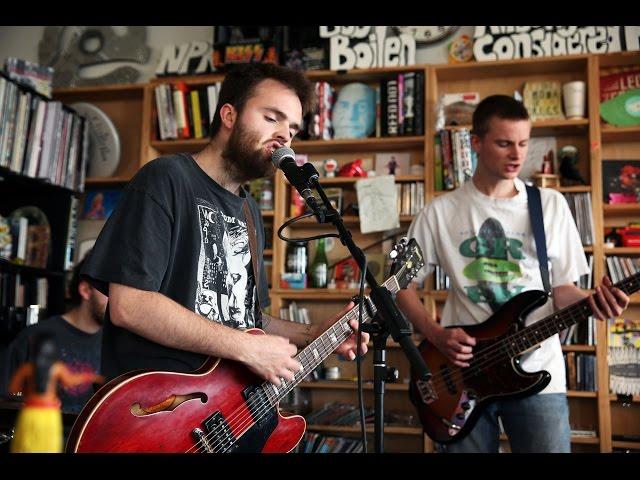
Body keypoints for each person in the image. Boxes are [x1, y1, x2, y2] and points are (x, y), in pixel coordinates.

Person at [81, 63, 369, 393]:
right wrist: (246, 348)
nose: (284, 136)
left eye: (292, 129)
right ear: (229, 116)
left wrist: (317, 332)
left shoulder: (248, 211)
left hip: (215, 414)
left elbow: (246, 318)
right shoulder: (165, 179)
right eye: (271, 117)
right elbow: (130, 305)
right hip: (156, 414)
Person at [397, 94, 629, 453]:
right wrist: (435, 334)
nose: (517, 155)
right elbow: (401, 286)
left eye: (523, 143)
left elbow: (563, 290)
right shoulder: (440, 212)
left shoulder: (549, 205)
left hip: (538, 369)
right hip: (464, 373)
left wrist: (594, 302)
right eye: (504, 143)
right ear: (476, 143)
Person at [4, 253, 106, 415]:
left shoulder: (118, 344)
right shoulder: (36, 335)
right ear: (86, 290)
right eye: (108, 291)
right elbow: (8, 398)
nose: (117, 299)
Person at [8, 333, 104, 452]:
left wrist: (30, 392)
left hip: (30, 411)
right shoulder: (57, 368)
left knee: (25, 446)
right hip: (49, 412)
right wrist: (90, 377)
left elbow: (13, 389)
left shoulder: (27, 368)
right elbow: (70, 381)